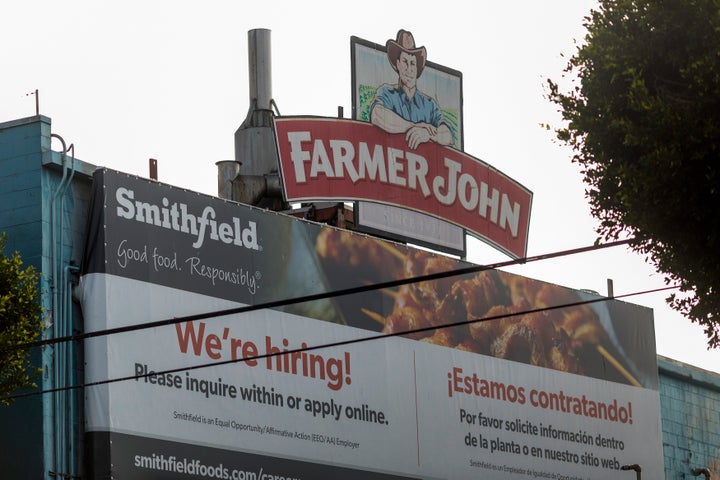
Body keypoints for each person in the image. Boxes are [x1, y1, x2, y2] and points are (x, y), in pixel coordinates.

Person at [370, 29, 455, 150]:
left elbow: (449, 135)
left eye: (412, 64)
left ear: (417, 68)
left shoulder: (429, 105)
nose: (409, 69)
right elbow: (377, 115)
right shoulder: (387, 92)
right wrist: (413, 126)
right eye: (405, 62)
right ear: (398, 64)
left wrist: (427, 134)